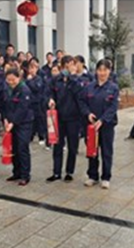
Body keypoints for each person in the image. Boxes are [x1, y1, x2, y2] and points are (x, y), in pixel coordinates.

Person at [81, 58, 120, 189]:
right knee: (92, 151)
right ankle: (93, 176)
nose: (102, 73)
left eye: (105, 70)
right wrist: (88, 114)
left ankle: (106, 177)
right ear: (96, 71)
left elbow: (113, 107)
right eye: (100, 70)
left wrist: (102, 120)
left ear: (109, 71)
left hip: (107, 125)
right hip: (91, 125)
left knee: (106, 151)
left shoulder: (113, 88)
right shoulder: (89, 87)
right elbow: (82, 102)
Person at [46, 55, 83, 183]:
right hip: (59, 118)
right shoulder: (56, 80)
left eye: (70, 65)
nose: (68, 68)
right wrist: (50, 99)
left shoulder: (78, 80)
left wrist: (72, 76)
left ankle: (69, 172)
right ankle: (56, 172)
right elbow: (50, 92)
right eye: (65, 66)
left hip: (74, 118)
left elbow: (79, 93)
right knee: (57, 146)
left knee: (72, 146)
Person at [2, 68, 34, 186]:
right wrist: (5, 119)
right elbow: (4, 105)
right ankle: (16, 172)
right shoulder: (6, 90)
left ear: (18, 78)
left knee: (22, 148)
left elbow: (22, 109)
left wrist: (13, 122)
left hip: (24, 123)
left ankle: (25, 175)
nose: (11, 82)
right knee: (14, 148)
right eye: (8, 80)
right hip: (11, 123)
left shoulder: (24, 90)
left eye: (13, 80)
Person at [26, 59, 47, 145]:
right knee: (31, 120)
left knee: (39, 120)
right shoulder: (27, 79)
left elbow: (37, 88)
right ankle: (30, 136)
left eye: (34, 68)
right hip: (29, 103)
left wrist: (30, 81)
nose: (32, 70)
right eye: (30, 68)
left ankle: (41, 136)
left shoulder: (38, 79)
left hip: (38, 102)